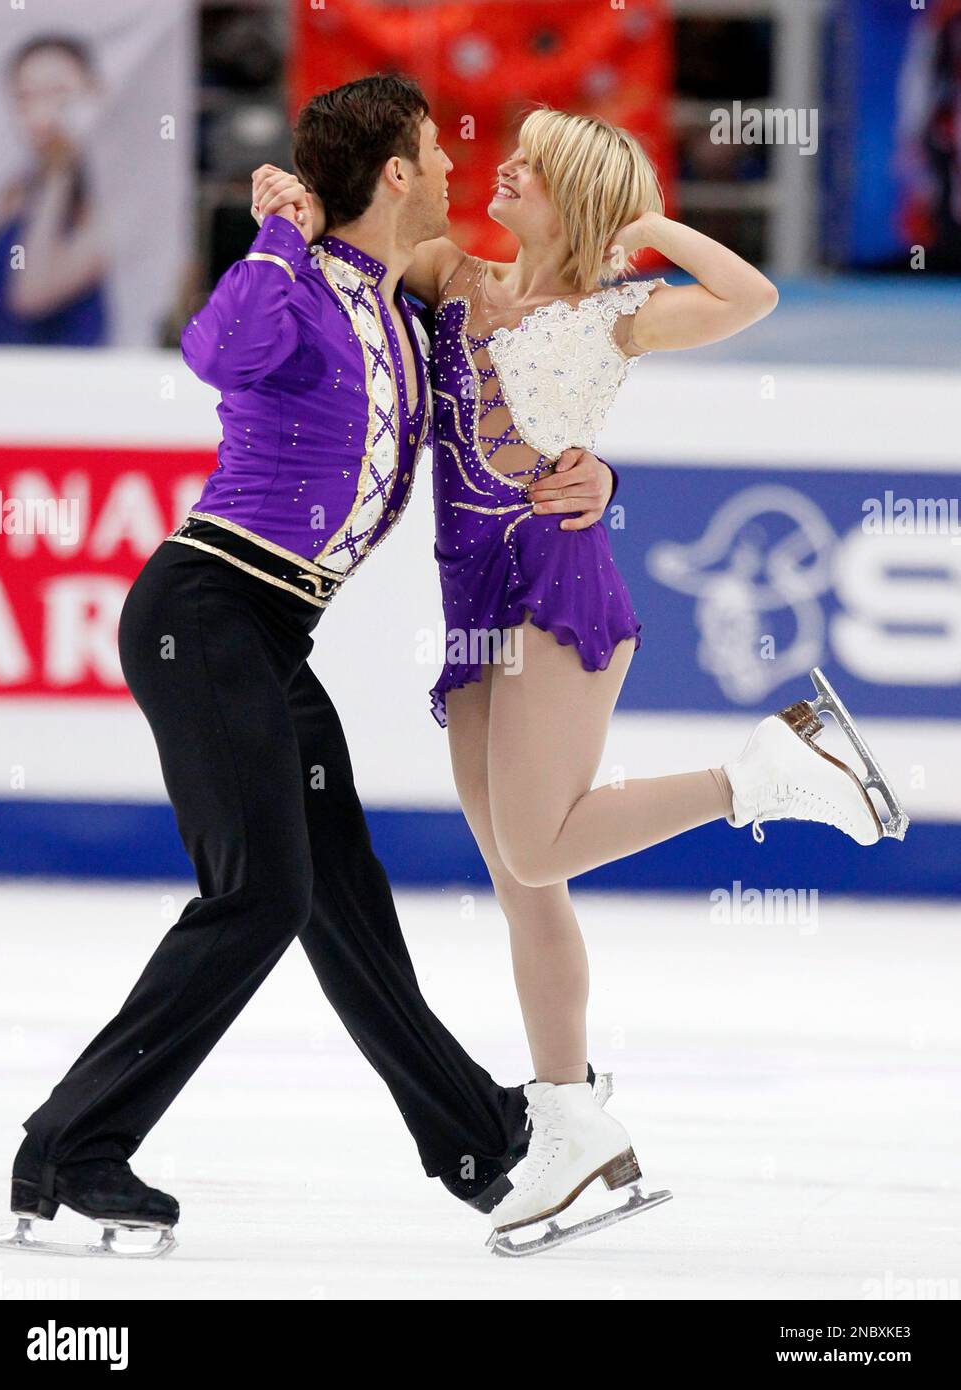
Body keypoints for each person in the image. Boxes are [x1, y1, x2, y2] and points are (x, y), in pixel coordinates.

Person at [258, 105, 909, 1254]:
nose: (502, 167)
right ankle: (571, 1117)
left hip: (555, 577)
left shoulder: (619, 314)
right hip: (468, 597)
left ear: (581, 202)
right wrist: (293, 202)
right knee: (521, 874)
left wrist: (646, 218)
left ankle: (760, 768)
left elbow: (752, 297)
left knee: (540, 844)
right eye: (508, 156)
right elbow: (353, 247)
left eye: (536, 168)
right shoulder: (453, 273)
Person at [0, 75, 620, 1260]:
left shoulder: (409, 308)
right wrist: (281, 231)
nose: (451, 172)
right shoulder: (298, 281)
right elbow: (218, 353)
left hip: (275, 634)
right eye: (435, 153)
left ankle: (482, 1140)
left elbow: (511, 422)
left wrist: (593, 478)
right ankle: (72, 1144)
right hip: (203, 610)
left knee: (342, 888)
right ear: (394, 173)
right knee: (262, 896)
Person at [0, 35, 107, 346]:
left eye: (59, 95)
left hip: (70, 379)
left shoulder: (109, 205)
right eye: (25, 97)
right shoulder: (15, 192)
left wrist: (59, 173)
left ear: (94, 97)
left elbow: (31, 297)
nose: (43, 113)